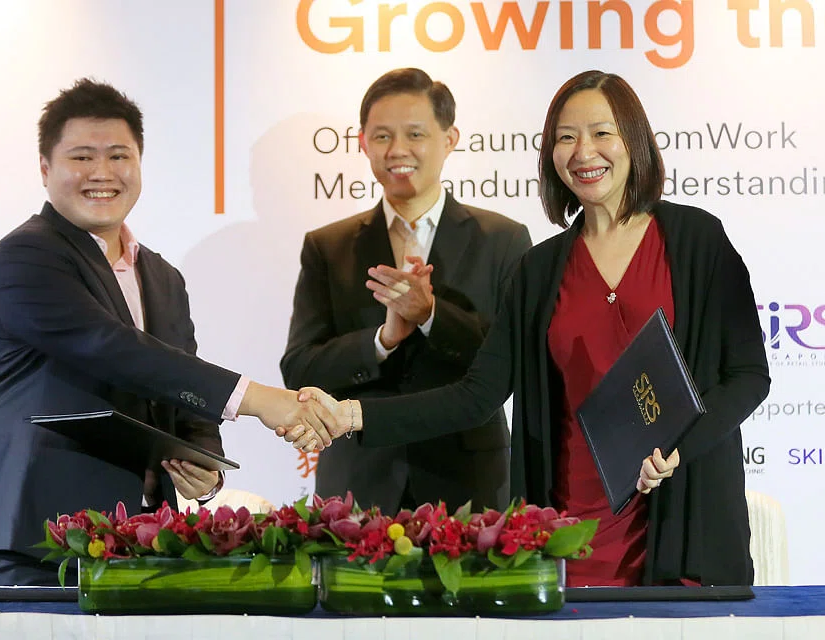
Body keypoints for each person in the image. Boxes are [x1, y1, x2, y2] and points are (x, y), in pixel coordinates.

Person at [286, 70, 770, 586]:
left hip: (685, 518)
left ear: (634, 139)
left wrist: (679, 448)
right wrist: (351, 414)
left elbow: (748, 376)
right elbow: (475, 396)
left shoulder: (697, 240)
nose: (583, 152)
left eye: (601, 133)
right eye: (566, 137)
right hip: (573, 531)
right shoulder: (539, 271)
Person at [0, 79, 334, 587]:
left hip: (140, 541)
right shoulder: (25, 255)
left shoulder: (163, 277)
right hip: (35, 536)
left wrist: (203, 464)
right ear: (45, 168)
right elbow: (111, 349)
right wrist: (260, 400)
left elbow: (179, 390)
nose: (102, 173)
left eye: (118, 156)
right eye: (82, 157)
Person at [280, 69, 531, 515]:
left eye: (415, 134)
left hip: (468, 482)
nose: (397, 150)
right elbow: (300, 368)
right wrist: (383, 340)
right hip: (359, 483)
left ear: (450, 139)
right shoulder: (328, 246)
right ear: (363, 143)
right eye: (382, 136)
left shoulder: (503, 240)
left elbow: (511, 365)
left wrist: (432, 315)